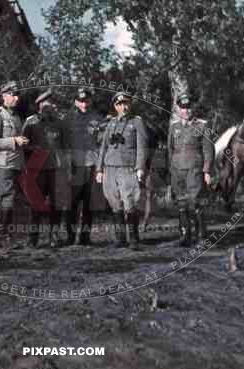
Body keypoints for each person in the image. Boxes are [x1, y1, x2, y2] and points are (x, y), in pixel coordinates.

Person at [95, 92, 149, 250]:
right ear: (115, 106)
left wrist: (140, 167)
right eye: (119, 104)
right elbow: (103, 147)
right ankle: (120, 238)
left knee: (130, 202)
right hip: (109, 168)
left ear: (130, 104)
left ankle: (134, 239)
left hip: (127, 168)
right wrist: (99, 169)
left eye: (126, 104)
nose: (123, 107)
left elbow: (142, 147)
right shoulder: (111, 123)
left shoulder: (137, 122)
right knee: (114, 203)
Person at [22, 88, 71, 248]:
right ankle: (32, 238)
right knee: (36, 204)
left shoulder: (59, 123)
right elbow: (23, 145)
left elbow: (65, 146)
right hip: (37, 169)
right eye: (48, 103)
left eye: (52, 103)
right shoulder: (30, 122)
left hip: (55, 169)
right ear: (39, 105)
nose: (51, 106)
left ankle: (54, 237)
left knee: (56, 205)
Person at [167, 93, 214, 247]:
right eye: (182, 108)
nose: (186, 111)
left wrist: (207, 171)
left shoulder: (202, 125)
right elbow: (170, 149)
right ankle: (185, 236)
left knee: (196, 202)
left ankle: (201, 237)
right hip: (177, 170)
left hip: (194, 169)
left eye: (188, 107)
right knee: (181, 203)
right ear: (178, 109)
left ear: (193, 108)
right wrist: (171, 169)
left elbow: (208, 149)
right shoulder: (174, 127)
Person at [0, 80, 28, 249]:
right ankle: (0, 236)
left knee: (5, 200)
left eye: (18, 95)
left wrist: (22, 141)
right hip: (0, 165)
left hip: (14, 164)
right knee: (7, 199)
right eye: (13, 95)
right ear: (4, 96)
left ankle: (4, 236)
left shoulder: (15, 116)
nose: (17, 98)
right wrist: (14, 140)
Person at [63, 87, 102, 245]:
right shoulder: (67, 119)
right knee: (71, 203)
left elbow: (101, 143)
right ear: (75, 101)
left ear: (90, 101)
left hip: (92, 164)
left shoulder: (97, 118)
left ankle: (85, 237)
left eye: (86, 100)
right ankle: (70, 237)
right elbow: (64, 143)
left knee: (89, 203)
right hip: (74, 165)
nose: (84, 103)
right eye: (80, 101)